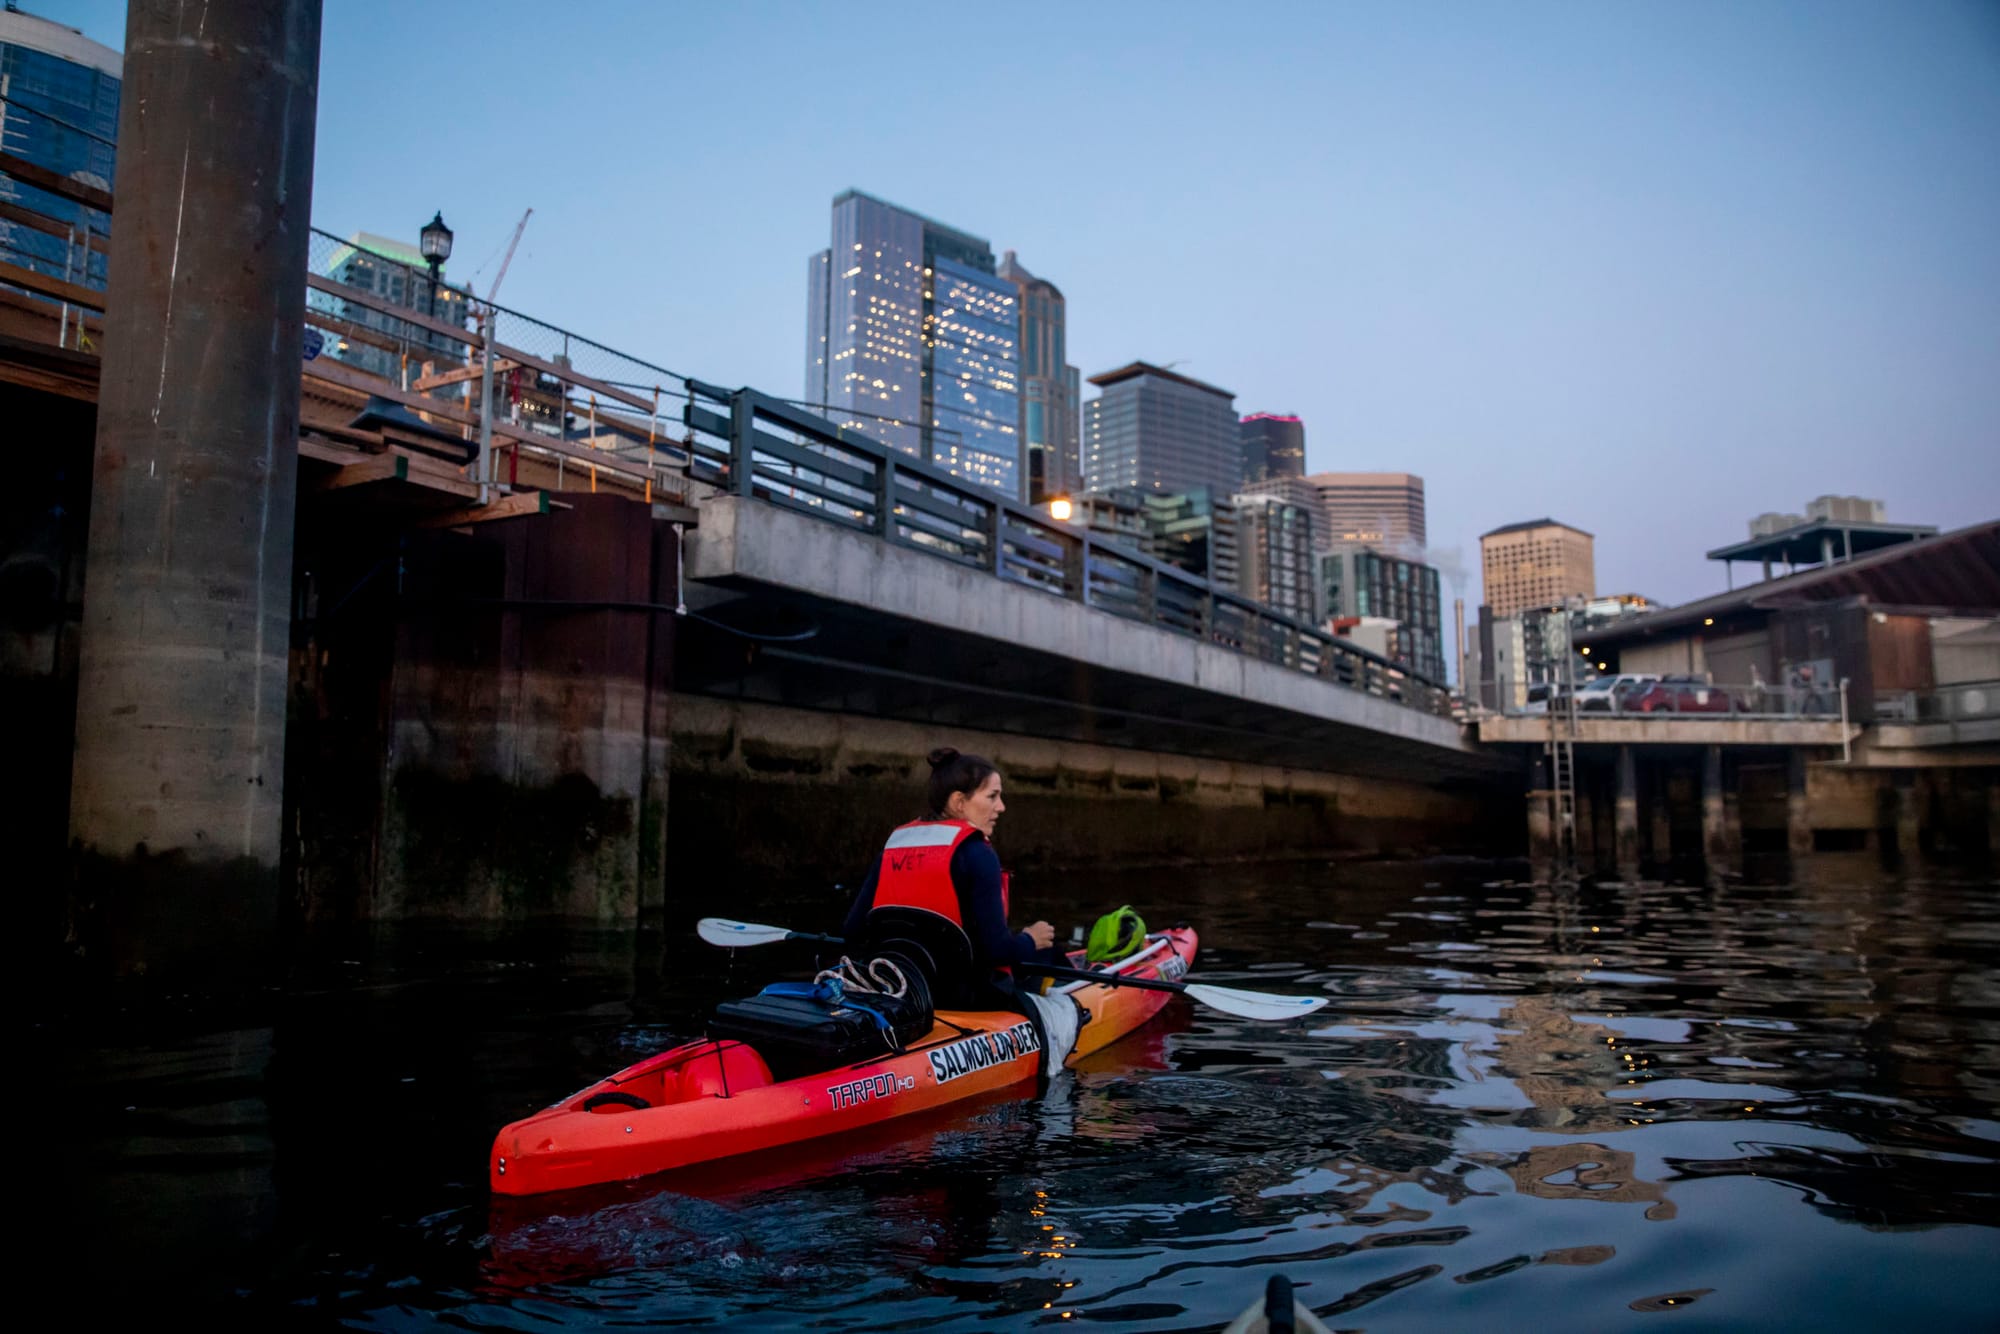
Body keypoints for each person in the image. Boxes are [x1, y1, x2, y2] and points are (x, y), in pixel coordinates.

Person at [842, 747, 1056, 1012]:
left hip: (902, 988)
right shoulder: (978, 853)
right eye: (992, 796)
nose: (1001, 807)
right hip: (964, 999)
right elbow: (998, 951)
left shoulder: (894, 846)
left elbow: (852, 931)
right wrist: (1030, 939)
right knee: (1044, 947)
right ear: (959, 802)